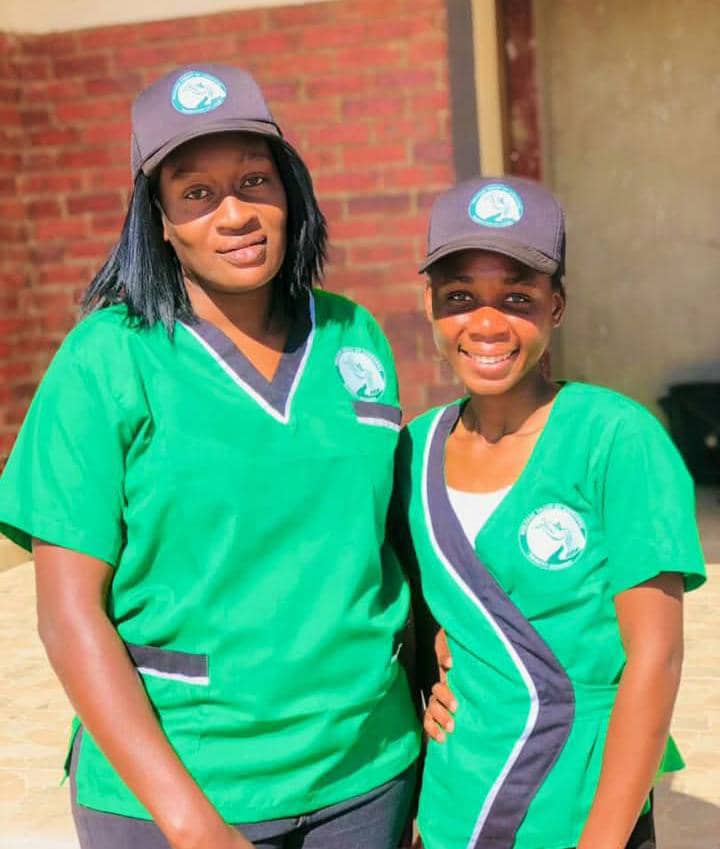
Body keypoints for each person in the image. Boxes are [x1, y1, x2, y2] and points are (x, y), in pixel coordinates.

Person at [0, 64, 420, 849]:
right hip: (186, 793)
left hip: (368, 774)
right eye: (196, 192)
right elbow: (66, 614)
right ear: (158, 219)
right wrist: (191, 824)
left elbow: (391, 544)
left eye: (254, 180)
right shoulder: (106, 360)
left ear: (289, 191)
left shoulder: (353, 337)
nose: (235, 213)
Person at [393, 176, 706, 849]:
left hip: (576, 811)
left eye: (517, 297)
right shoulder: (412, 449)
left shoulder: (615, 438)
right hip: (454, 807)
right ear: (429, 306)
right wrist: (430, 677)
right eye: (459, 297)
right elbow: (421, 610)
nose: (485, 322)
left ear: (556, 305)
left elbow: (656, 658)